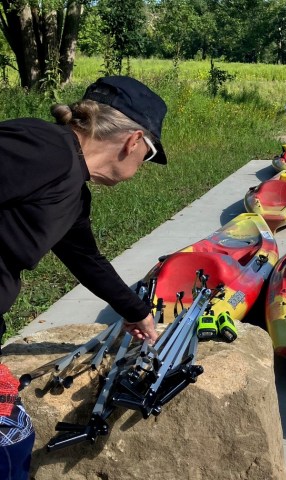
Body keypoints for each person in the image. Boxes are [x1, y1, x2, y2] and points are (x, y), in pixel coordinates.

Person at [1, 76, 167, 478]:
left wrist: (136, 311)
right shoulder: (44, 148)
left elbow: (85, 257)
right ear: (133, 142)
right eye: (146, 157)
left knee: (13, 440)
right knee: (10, 443)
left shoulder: (73, 189)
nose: (139, 168)